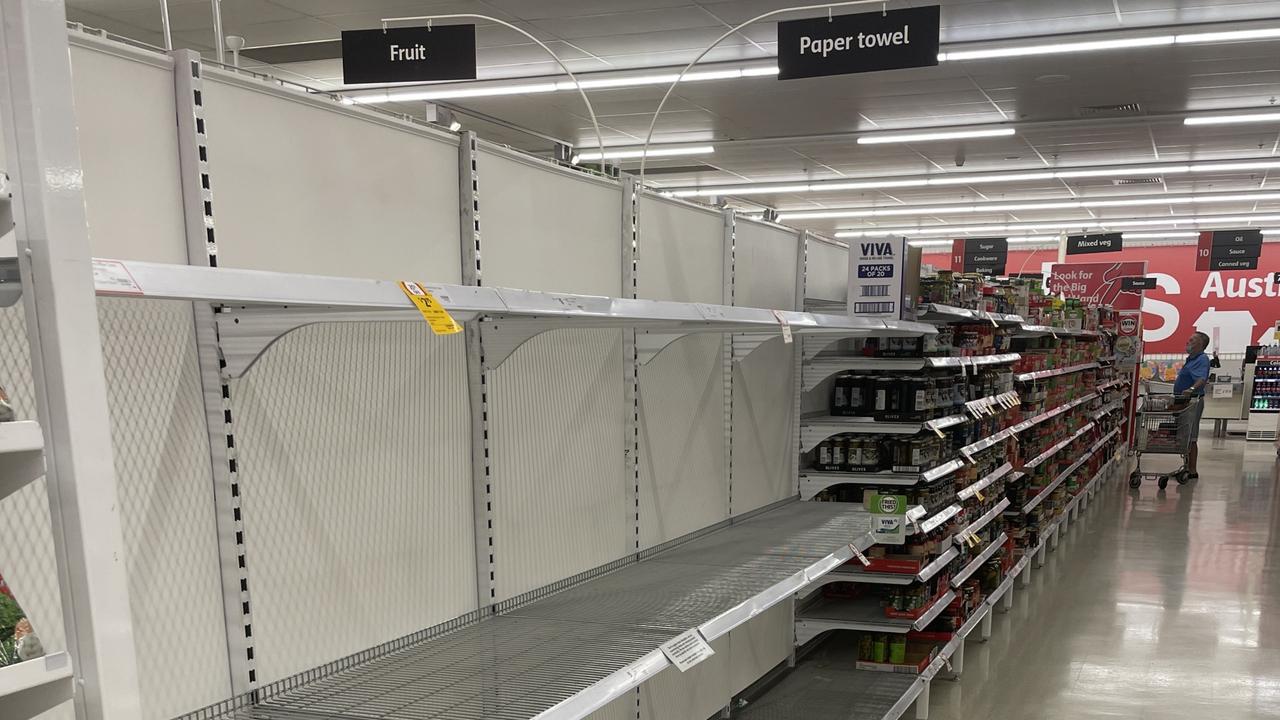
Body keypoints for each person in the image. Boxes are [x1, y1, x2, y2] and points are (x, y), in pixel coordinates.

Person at [1173, 331, 1211, 479]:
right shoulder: (1191, 359)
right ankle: (1187, 467)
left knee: (1191, 436)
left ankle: (1192, 470)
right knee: (1185, 436)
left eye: (1192, 339)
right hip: (1184, 401)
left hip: (1192, 402)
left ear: (1201, 344)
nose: (1188, 341)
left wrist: (1191, 389)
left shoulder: (1202, 359)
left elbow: (1202, 379)